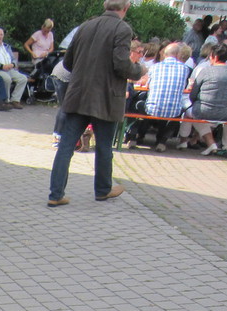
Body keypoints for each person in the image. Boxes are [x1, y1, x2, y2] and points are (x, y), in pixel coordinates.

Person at [47, 0, 144, 208]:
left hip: (78, 94)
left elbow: (68, 62)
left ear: (105, 5)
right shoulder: (122, 28)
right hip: (106, 97)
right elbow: (121, 64)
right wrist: (139, 70)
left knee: (66, 146)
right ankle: (102, 190)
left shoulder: (86, 26)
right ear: (126, 8)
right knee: (104, 147)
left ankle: (55, 193)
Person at [124, 42, 191, 152]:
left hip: (152, 108)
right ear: (178, 55)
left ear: (164, 54)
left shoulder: (155, 67)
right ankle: (162, 141)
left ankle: (132, 136)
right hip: (173, 110)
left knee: (135, 105)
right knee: (177, 110)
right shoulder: (185, 69)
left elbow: (148, 85)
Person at [177, 42, 227, 155]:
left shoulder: (206, 71)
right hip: (225, 111)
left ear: (215, 57)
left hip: (204, 110)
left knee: (190, 113)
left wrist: (194, 100)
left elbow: (193, 93)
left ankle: (184, 141)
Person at [0, 27, 27, 108]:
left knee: (23, 78)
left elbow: (13, 59)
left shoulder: (6, 46)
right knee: (7, 79)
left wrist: (13, 64)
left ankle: (15, 100)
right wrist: (2, 66)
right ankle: (6, 101)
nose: (0, 37)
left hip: (10, 69)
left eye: (1, 35)